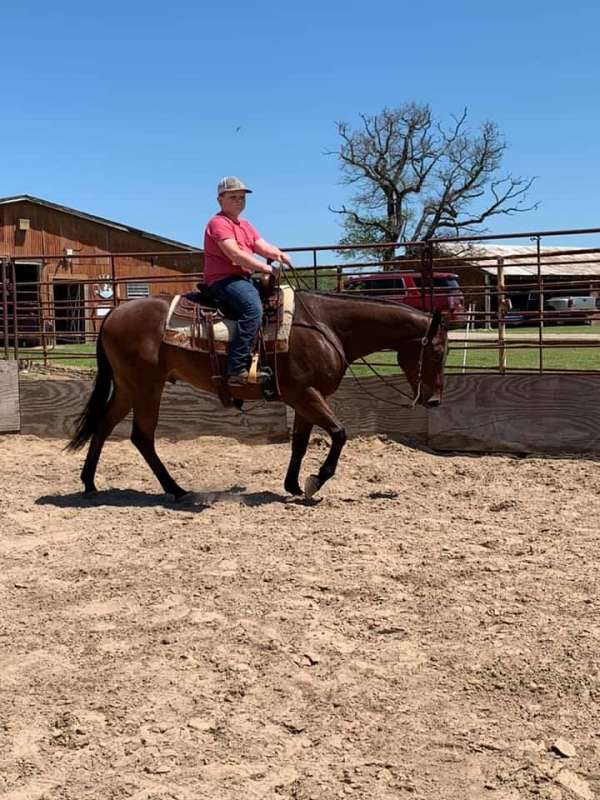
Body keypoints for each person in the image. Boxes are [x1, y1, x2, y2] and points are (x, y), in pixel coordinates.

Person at [203, 176, 293, 386]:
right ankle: (237, 368)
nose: (239, 201)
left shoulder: (245, 224)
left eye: (242, 197)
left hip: (241, 278)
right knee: (253, 309)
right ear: (220, 200)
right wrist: (263, 267)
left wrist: (279, 254)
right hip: (223, 280)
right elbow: (234, 254)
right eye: (233, 197)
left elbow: (261, 245)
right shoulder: (218, 223)